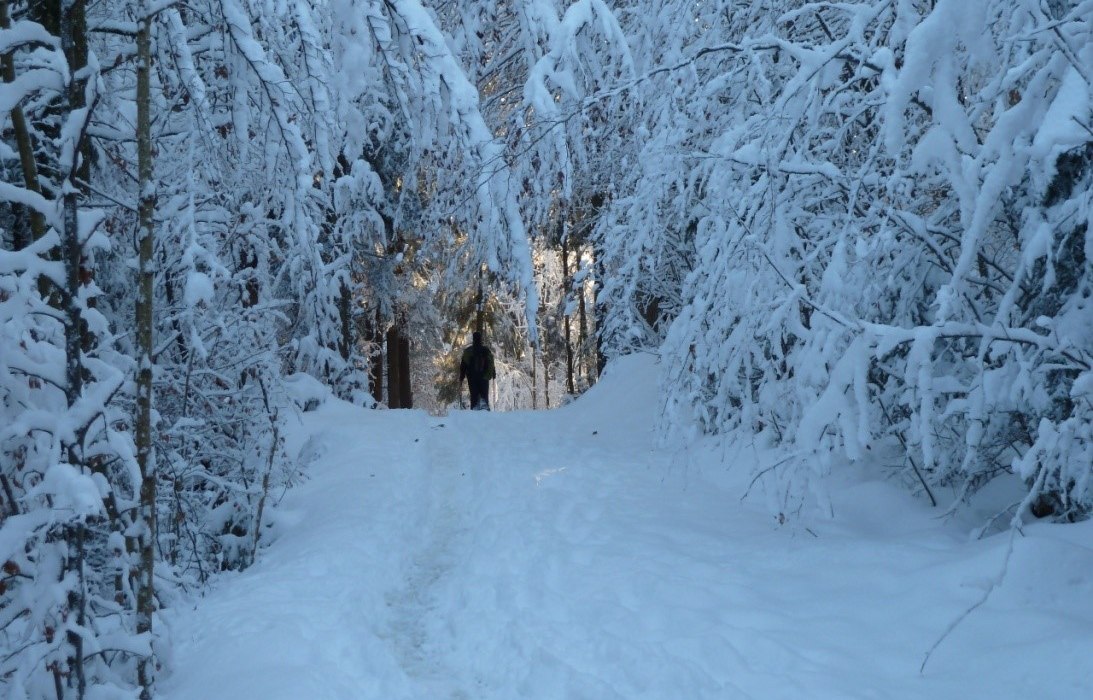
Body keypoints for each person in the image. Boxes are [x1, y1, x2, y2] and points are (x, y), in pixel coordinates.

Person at [459, 331, 496, 410]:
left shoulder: (468, 351)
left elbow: (463, 365)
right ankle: (485, 410)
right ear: (481, 339)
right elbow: (491, 363)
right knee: (484, 395)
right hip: (484, 377)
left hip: (472, 377)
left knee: (474, 395)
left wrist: (461, 377)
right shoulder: (486, 350)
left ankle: (474, 409)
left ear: (473, 339)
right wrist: (493, 374)